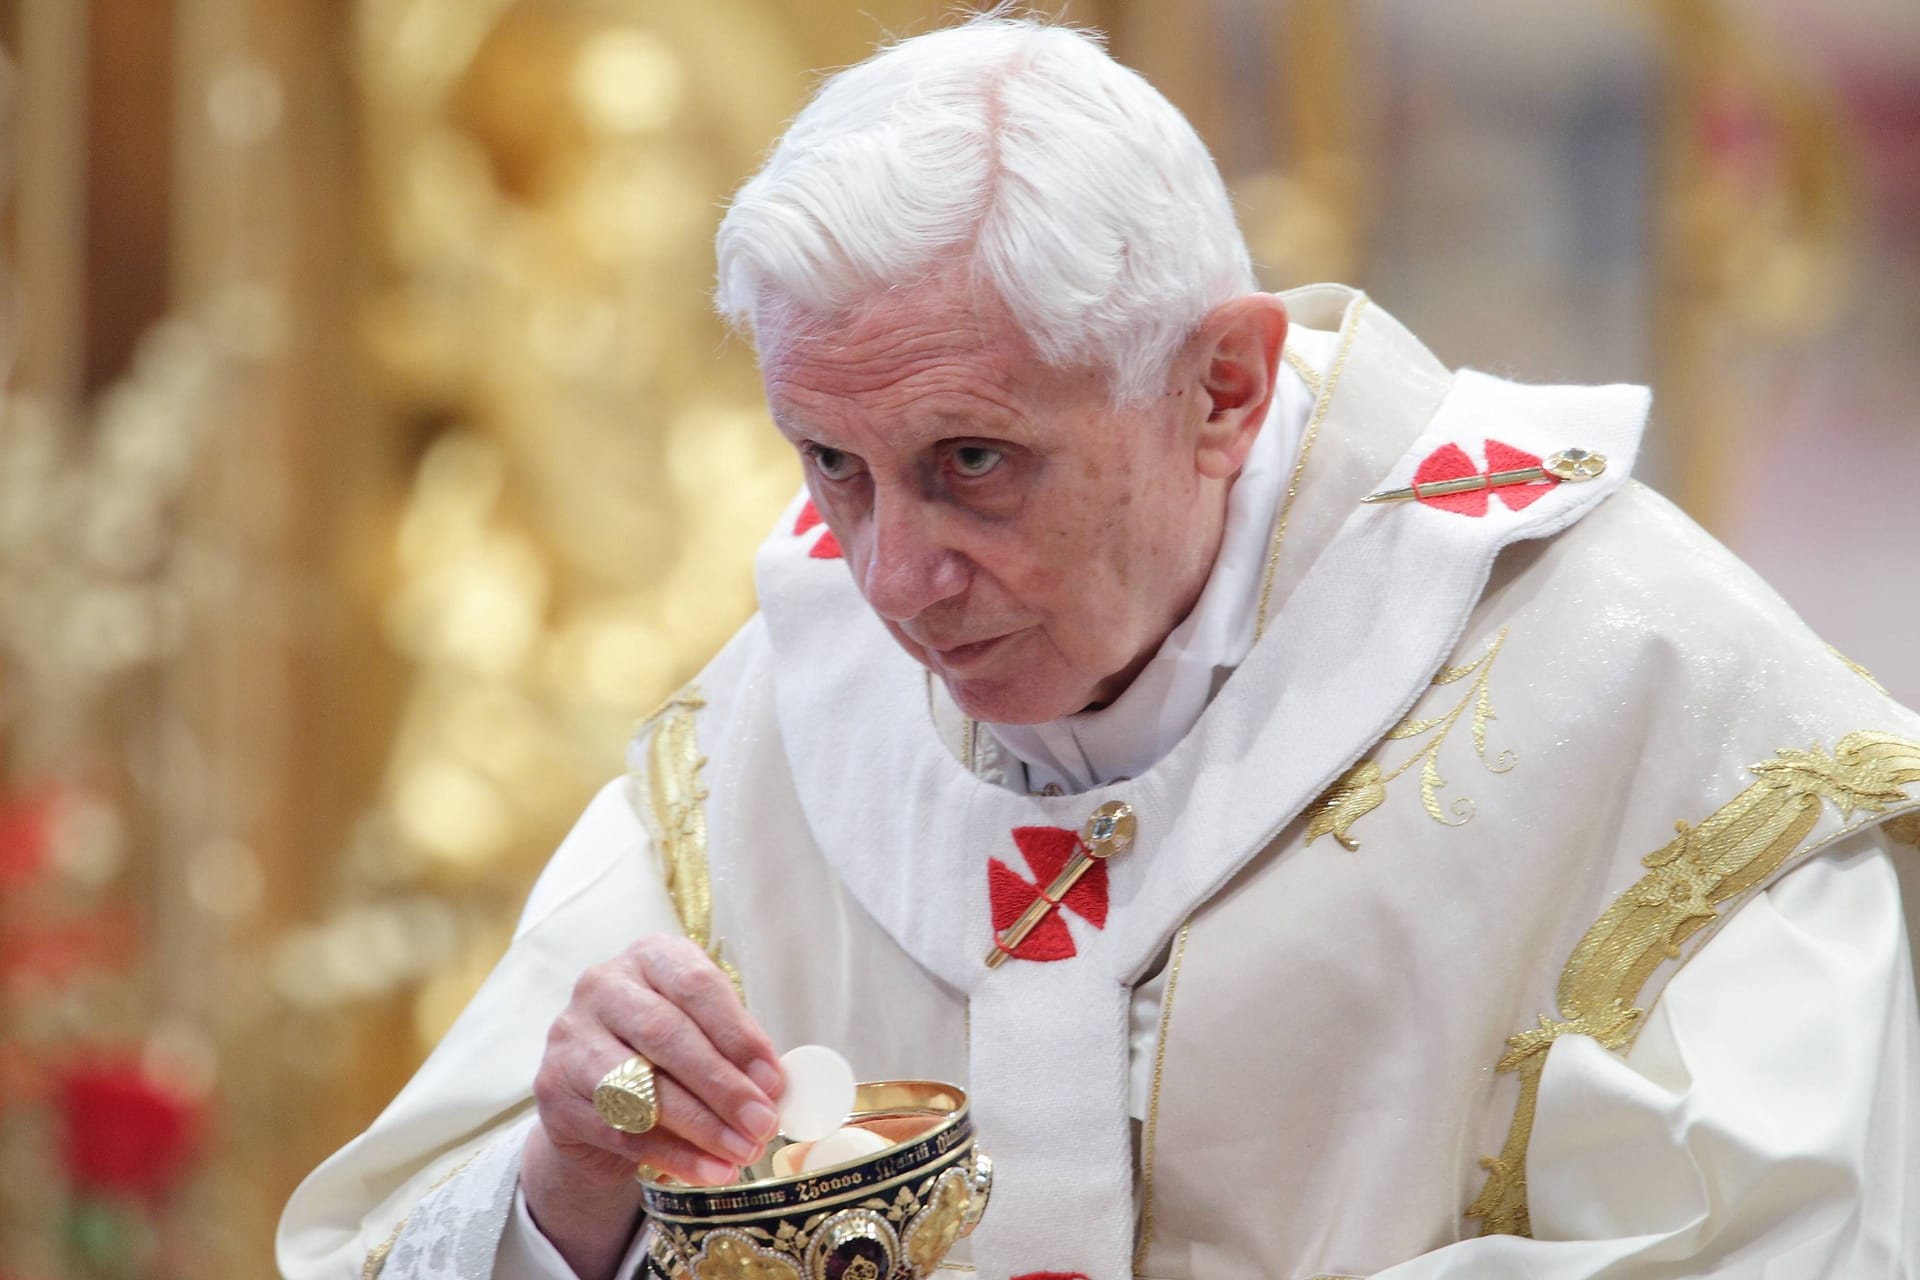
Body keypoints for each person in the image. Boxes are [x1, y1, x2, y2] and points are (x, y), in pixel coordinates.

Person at [279, 13, 1920, 1280]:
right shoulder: (792, 720)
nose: (894, 579)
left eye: (971, 463)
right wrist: (571, 1182)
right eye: (830, 466)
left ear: (1220, 389)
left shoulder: (1649, 715)